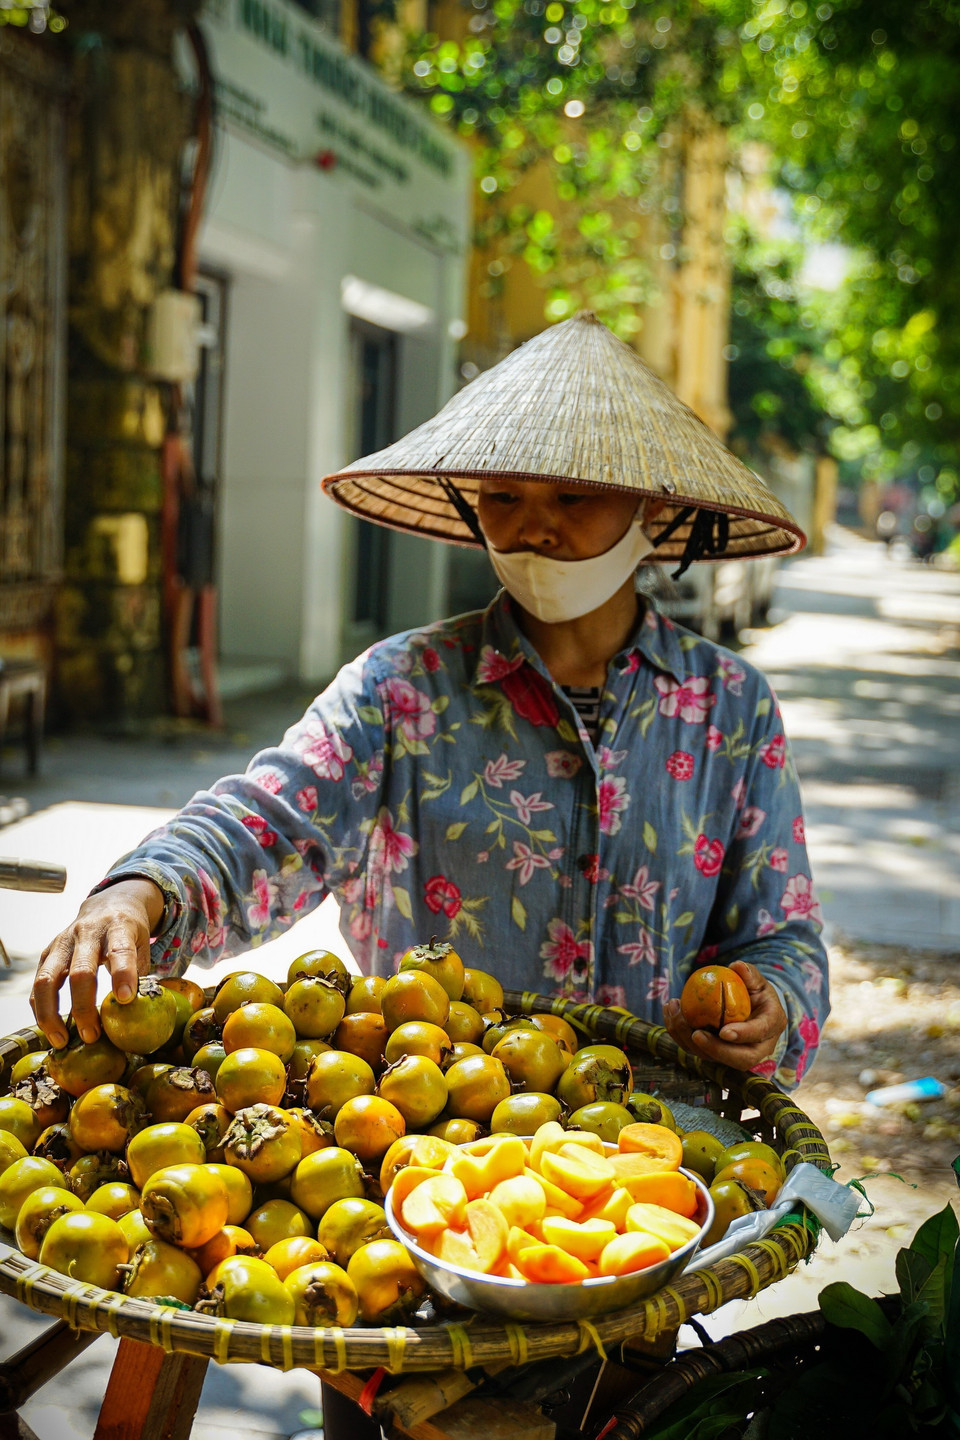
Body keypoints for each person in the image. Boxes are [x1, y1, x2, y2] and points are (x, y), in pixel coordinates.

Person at [31, 312, 828, 1089]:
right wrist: (144, 889)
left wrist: (771, 1005)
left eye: (574, 499)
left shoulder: (730, 708)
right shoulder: (398, 690)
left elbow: (781, 935)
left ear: (652, 509)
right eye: (505, 497)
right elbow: (266, 821)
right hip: (427, 1162)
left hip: (652, 1164)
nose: (533, 530)